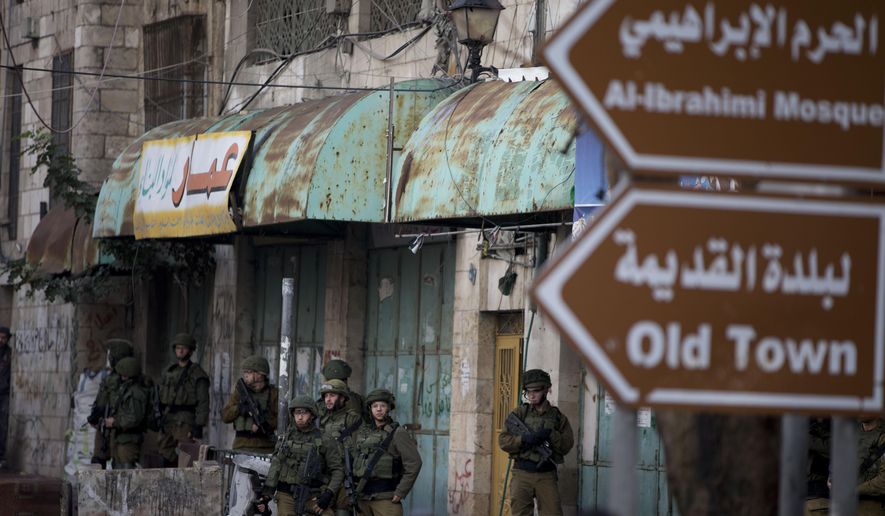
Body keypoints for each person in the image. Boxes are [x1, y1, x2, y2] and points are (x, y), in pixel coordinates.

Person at [498, 369, 575, 516]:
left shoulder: (558, 417)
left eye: (536, 391)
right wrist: (524, 439)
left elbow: (566, 445)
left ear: (546, 390)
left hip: (546, 475)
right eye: (528, 391)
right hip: (522, 473)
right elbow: (503, 441)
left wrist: (551, 434)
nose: (531, 395)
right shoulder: (520, 414)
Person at [260, 395, 343, 516]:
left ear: (312, 415)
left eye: (304, 413)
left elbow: (338, 470)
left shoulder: (324, 439)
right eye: (297, 412)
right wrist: (267, 494)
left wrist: (328, 494)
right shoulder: (285, 438)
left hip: (313, 495)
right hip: (286, 495)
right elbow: (275, 466)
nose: (300, 417)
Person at [350, 389, 422, 516]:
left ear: (388, 408)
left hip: (385, 498)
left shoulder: (398, 433)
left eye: (382, 406)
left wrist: (400, 492)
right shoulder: (363, 433)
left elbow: (414, 463)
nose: (378, 409)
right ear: (370, 408)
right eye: (375, 406)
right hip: (362, 497)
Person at [805, 417, 885, 516]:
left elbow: (883, 482)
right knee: (807, 509)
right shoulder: (853, 431)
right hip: (844, 500)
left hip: (869, 503)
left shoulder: (882, 437)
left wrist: (852, 490)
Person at [157, 332, 210, 467]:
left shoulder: (197, 374)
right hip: (168, 417)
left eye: (184, 348)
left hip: (186, 419)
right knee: (164, 451)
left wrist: (198, 425)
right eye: (178, 347)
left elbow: (203, 402)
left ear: (191, 350)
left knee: (186, 454)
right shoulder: (169, 371)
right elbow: (159, 394)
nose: (180, 350)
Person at [86, 338, 135, 468]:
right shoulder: (129, 378)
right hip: (112, 426)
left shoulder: (113, 379)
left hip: (116, 427)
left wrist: (94, 417)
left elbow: (101, 403)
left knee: (102, 463)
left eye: (111, 354)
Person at [317, 379, 363, 516]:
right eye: (326, 396)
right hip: (325, 477)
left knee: (343, 512)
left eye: (332, 395)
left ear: (342, 397)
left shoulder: (352, 419)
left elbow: (360, 448)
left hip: (345, 478)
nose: (328, 400)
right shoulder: (321, 419)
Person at [222, 355, 279, 452]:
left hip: (266, 448)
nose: (245, 375)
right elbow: (225, 416)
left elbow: (282, 420)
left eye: (249, 372)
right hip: (241, 446)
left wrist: (265, 423)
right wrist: (240, 408)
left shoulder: (273, 393)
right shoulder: (240, 392)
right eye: (245, 372)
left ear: (260, 374)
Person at [105, 356, 151, 469]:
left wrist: (114, 422)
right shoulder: (126, 389)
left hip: (129, 442)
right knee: (117, 471)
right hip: (120, 439)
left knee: (127, 474)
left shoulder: (136, 393)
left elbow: (134, 419)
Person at [0, 326, 11, 469]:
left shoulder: (9, 354)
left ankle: (1, 455)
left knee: (2, 424)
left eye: (4, 338)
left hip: (3, 392)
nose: (1, 340)